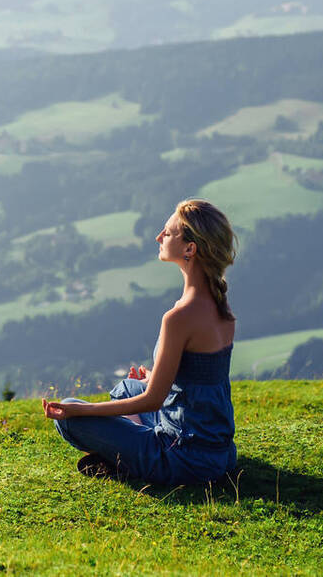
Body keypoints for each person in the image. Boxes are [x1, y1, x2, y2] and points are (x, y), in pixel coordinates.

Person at [42, 198, 238, 485]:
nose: (159, 237)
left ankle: (130, 460)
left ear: (190, 249)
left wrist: (80, 410)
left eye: (168, 233)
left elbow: (152, 400)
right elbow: (202, 384)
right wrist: (153, 376)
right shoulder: (220, 306)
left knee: (68, 417)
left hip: (183, 459)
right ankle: (126, 453)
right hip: (219, 454)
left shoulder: (179, 316)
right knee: (127, 387)